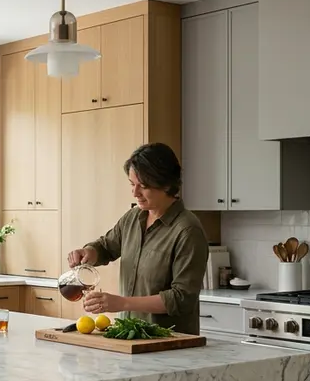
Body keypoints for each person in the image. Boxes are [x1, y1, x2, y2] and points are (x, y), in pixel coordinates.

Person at [66, 142, 209, 335]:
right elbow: (106, 247)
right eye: (132, 184)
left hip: (168, 343)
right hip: (130, 337)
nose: (135, 193)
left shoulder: (187, 230)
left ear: (166, 184)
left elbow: (181, 298)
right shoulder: (133, 217)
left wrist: (121, 303)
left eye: (143, 186)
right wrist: (89, 252)